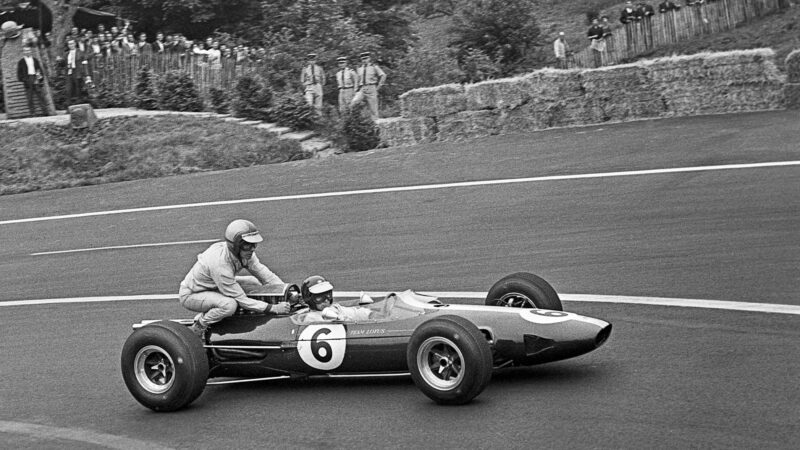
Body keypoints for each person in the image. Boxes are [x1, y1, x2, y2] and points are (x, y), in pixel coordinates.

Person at [179, 219, 290, 337]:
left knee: (253, 282)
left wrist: (287, 291)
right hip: (193, 294)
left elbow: (266, 276)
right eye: (247, 245)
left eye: (254, 244)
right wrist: (274, 308)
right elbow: (241, 299)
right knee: (230, 305)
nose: (252, 249)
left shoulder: (245, 253)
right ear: (236, 246)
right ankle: (200, 325)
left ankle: (228, 315)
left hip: (215, 285)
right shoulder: (220, 264)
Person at [299, 275, 374, 322]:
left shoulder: (335, 308)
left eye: (328, 295)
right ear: (309, 299)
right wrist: (342, 320)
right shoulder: (311, 318)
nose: (326, 300)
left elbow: (357, 313)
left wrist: (371, 314)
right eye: (319, 297)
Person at [350, 51, 386, 120]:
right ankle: (355, 121)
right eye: (363, 59)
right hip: (362, 88)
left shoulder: (374, 66)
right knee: (353, 103)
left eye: (366, 58)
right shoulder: (359, 68)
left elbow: (383, 75)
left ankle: (375, 126)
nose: (364, 60)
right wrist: (356, 89)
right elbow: (357, 79)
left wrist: (379, 86)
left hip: (371, 88)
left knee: (373, 110)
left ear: (369, 58)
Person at [16, 45, 47, 117]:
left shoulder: (35, 60)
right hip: (28, 79)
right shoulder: (21, 62)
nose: (27, 52)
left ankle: (45, 111)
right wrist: (24, 80)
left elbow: (40, 69)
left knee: (40, 95)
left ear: (31, 51)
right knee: (30, 97)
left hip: (35, 77)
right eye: (26, 50)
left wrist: (40, 78)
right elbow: (19, 74)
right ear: (23, 52)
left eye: (29, 50)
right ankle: (32, 113)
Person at [64, 39, 90, 107]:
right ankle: (69, 106)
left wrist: (87, 74)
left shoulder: (80, 52)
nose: (71, 45)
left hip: (78, 72)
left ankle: (78, 105)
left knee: (78, 89)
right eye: (69, 44)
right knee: (68, 89)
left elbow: (85, 63)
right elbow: (64, 64)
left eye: (72, 43)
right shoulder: (66, 54)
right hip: (69, 72)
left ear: (75, 44)